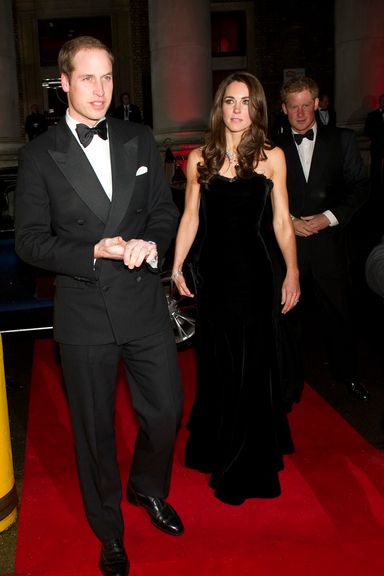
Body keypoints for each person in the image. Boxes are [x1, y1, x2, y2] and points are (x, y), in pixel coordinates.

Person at [15, 36, 184, 576]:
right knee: (94, 432)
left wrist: (152, 243)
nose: (100, 91)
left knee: (165, 411)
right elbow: (30, 242)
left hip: (142, 304)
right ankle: (109, 529)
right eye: (87, 78)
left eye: (107, 78)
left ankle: (148, 487)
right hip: (85, 312)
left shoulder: (137, 138)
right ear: (63, 83)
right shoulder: (40, 155)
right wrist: (93, 248)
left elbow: (164, 210)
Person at [171, 71, 300, 505]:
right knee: (217, 366)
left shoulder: (272, 157)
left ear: (258, 109)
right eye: (230, 101)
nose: (237, 110)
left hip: (256, 276)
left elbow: (282, 222)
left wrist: (292, 272)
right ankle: (216, 443)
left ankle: (246, 461)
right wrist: (176, 266)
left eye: (246, 102)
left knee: (251, 367)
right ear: (219, 106)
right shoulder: (199, 159)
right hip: (214, 277)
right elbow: (190, 218)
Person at [276, 76, 370, 402]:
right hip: (290, 247)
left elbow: (360, 186)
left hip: (329, 244)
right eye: (294, 107)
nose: (301, 113)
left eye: (306, 105)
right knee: (287, 320)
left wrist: (327, 218)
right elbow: (263, 194)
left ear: (316, 104)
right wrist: (289, 221)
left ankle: (349, 377)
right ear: (283, 108)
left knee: (340, 315)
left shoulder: (342, 140)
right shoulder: (271, 148)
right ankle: (288, 384)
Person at [364, 94, 384, 195]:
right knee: (375, 168)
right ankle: (375, 190)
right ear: (379, 102)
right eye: (382, 101)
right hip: (376, 145)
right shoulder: (372, 115)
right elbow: (367, 130)